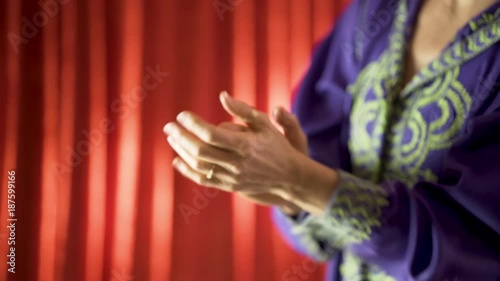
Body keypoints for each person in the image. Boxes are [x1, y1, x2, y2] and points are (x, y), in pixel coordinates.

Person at [163, 0, 500, 280]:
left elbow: (474, 249)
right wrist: (288, 190)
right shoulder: (376, 11)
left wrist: (301, 181)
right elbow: (317, 161)